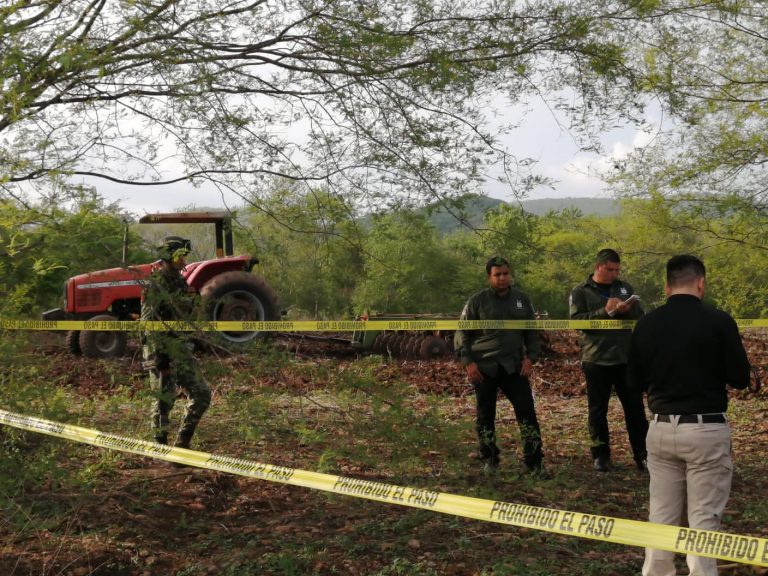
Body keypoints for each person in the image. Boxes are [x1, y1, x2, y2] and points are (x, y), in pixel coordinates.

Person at [628, 254, 751, 576]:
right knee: (703, 520)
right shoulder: (720, 321)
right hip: (706, 429)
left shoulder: (647, 323)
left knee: (661, 516)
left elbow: (633, 382)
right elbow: (740, 377)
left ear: (666, 286)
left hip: (661, 428)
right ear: (701, 283)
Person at [454, 256, 544, 474]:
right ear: (489, 277)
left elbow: (532, 332)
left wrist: (531, 358)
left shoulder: (522, 300)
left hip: (514, 366)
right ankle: (489, 457)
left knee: (527, 412)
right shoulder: (477, 301)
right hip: (484, 368)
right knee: (485, 415)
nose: (502, 278)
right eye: (497, 275)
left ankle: (534, 462)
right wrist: (468, 363)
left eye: (505, 273)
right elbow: (461, 333)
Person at [569, 248, 647, 472]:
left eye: (617, 270)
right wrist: (605, 311)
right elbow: (577, 321)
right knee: (597, 410)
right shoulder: (580, 291)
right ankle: (601, 456)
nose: (614, 273)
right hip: (596, 358)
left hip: (624, 358)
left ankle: (642, 455)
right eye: (610, 269)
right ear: (598, 267)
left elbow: (638, 316)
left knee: (635, 409)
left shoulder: (624, 288)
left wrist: (626, 309)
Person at [141, 235, 211, 451]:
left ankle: (182, 445)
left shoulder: (179, 282)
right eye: (180, 256)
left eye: (185, 256)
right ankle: (160, 450)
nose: (184, 261)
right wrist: (161, 359)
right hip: (160, 351)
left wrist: (196, 339)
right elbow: (149, 324)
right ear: (168, 256)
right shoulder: (156, 284)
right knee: (164, 401)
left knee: (202, 394)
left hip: (180, 349)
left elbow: (181, 317)